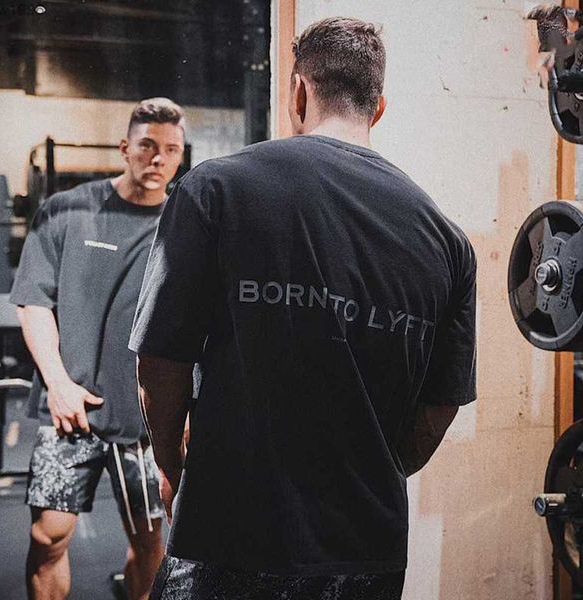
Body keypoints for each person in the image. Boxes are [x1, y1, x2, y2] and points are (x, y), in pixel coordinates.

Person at [130, 17, 476, 600]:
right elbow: (440, 405)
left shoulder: (214, 189)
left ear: (297, 92)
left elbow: (160, 361)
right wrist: (369, 473)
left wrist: (173, 462)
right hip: (365, 553)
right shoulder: (448, 241)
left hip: (227, 533)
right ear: (378, 107)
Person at [10, 97, 185, 600]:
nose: (158, 157)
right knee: (48, 536)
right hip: (71, 407)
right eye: (147, 145)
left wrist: (185, 409)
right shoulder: (68, 210)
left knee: (150, 543)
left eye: (170, 149)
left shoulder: (184, 224)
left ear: (180, 156)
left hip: (146, 416)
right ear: (125, 148)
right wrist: (57, 383)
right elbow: (33, 301)